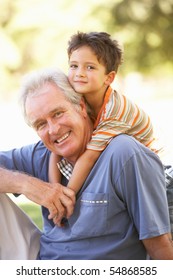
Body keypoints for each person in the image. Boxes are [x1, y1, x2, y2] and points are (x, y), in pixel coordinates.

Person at [0, 67, 173, 260]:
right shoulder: (41, 154)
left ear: (81, 107)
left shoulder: (123, 154)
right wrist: (26, 185)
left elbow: (159, 243)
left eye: (58, 113)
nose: (54, 129)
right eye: (41, 124)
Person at [49, 31, 161, 198]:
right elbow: (56, 149)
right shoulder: (77, 99)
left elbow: (89, 159)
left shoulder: (115, 111)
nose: (79, 73)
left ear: (109, 78)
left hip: (139, 171)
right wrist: (55, 192)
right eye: (74, 66)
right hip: (108, 159)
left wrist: (66, 197)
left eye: (90, 67)